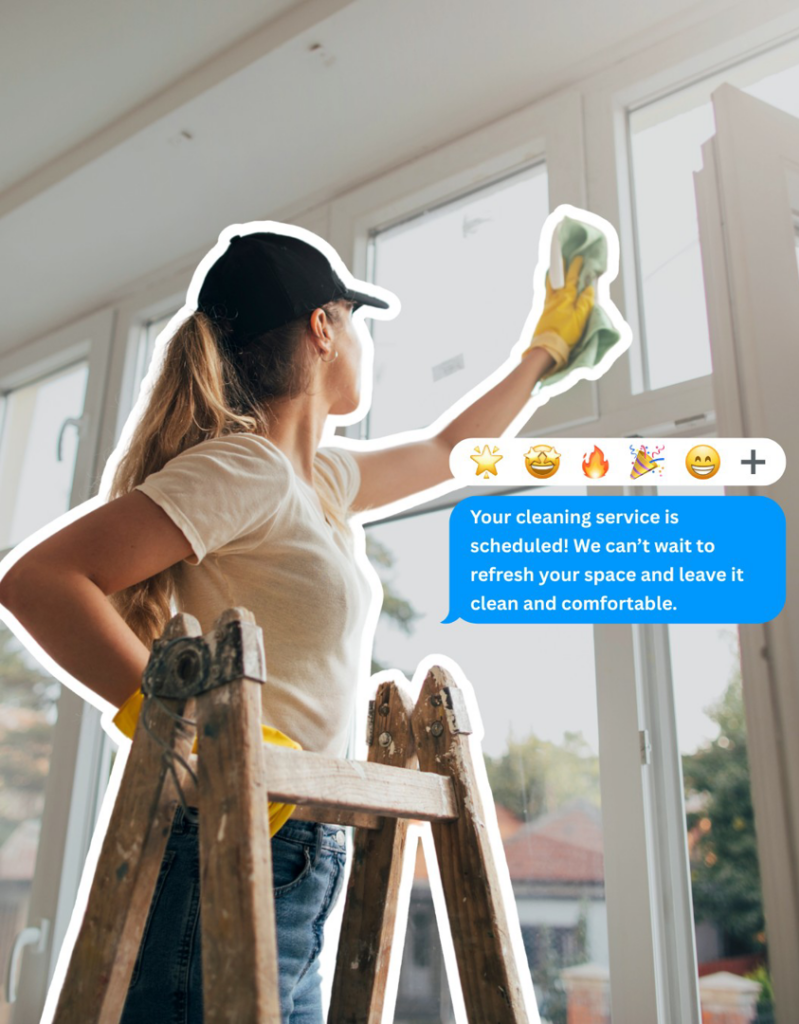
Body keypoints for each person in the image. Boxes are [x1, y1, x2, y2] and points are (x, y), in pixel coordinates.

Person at [0, 225, 593, 1023]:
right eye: (356, 321)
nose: (360, 343)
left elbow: (454, 448)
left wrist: (545, 350)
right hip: (227, 841)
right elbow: (38, 581)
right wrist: (181, 731)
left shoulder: (315, 480)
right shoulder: (241, 468)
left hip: (297, 846)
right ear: (324, 327)